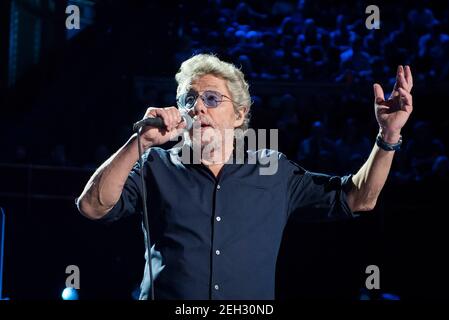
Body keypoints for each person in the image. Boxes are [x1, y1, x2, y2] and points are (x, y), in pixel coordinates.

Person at [76, 54, 414, 300]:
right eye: (189, 99)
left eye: (211, 98)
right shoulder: (156, 164)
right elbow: (92, 206)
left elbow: (360, 198)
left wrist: (388, 136)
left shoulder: (272, 168)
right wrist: (140, 144)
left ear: (239, 114)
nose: (198, 107)